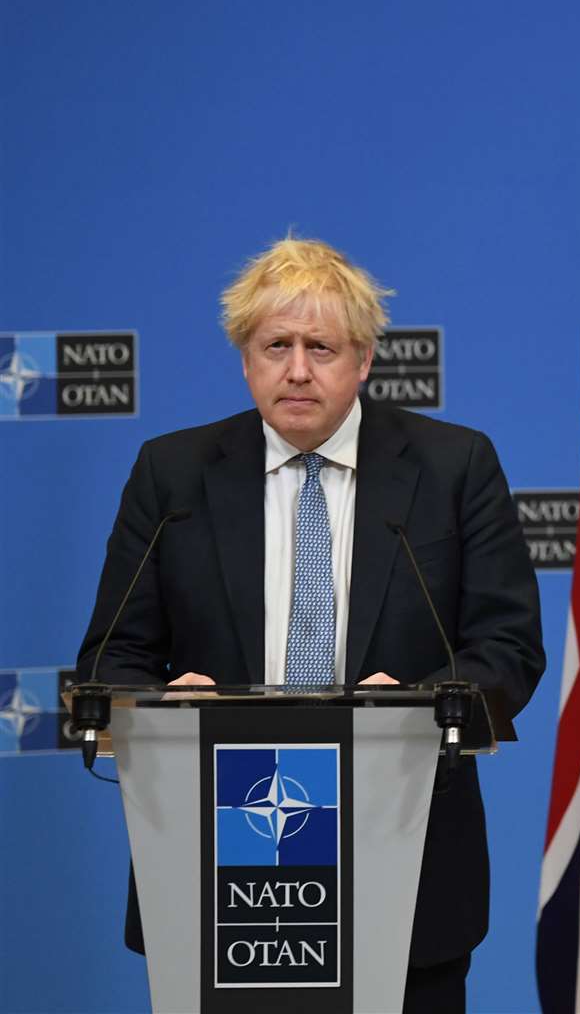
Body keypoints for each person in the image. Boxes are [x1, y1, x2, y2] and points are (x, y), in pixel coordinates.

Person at [76, 236, 544, 1012]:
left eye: (320, 347)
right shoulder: (174, 473)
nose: (297, 369)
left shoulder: (453, 467)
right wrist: (161, 705)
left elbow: (507, 646)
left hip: (404, 855)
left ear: (362, 360)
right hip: (219, 866)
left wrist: (422, 706)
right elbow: (113, 656)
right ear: (246, 359)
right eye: (276, 346)